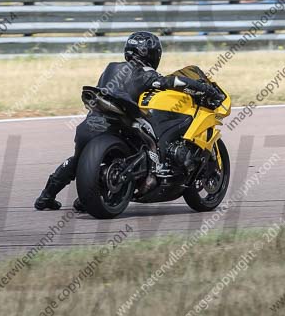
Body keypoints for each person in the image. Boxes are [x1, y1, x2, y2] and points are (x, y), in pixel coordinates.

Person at [34, 31, 224, 211]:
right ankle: (146, 174)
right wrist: (203, 88)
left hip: (91, 125)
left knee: (77, 161)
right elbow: (172, 82)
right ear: (152, 54)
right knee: (151, 140)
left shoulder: (110, 68)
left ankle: (46, 197)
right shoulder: (143, 72)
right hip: (121, 125)